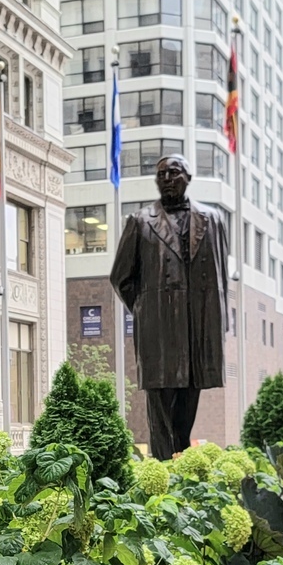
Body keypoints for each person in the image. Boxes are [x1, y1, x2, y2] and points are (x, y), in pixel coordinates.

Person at [110, 154, 229, 461]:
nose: (166, 179)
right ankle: (165, 469)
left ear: (188, 177)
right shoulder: (140, 222)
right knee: (160, 410)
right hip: (159, 331)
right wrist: (147, 309)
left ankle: (181, 463)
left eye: (173, 173)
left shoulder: (212, 219)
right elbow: (122, 277)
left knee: (188, 405)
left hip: (197, 329)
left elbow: (220, 278)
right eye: (161, 174)